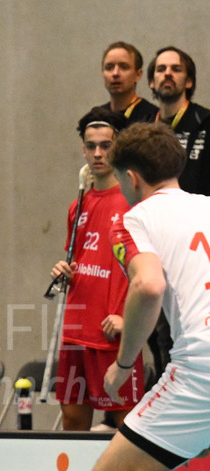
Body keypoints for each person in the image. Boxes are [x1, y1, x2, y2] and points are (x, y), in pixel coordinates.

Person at [86, 122, 210, 471]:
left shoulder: (134, 217)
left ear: (131, 178)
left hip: (200, 371)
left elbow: (149, 284)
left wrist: (123, 360)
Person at [49, 108, 144, 431]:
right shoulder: (78, 205)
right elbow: (85, 258)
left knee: (125, 425)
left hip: (112, 333)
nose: (98, 153)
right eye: (91, 146)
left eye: (106, 145)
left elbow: (151, 270)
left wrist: (127, 319)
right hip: (75, 330)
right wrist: (67, 271)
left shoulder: (134, 201)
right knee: (73, 421)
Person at [147, 46, 210, 196]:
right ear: (151, 82)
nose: (168, 73)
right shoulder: (143, 129)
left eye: (176, 69)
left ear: (189, 82)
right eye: (161, 69)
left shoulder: (206, 122)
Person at [98, 42, 158, 124]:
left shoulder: (152, 117)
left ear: (138, 74)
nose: (115, 73)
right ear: (103, 74)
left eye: (124, 67)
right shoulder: (97, 117)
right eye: (109, 68)